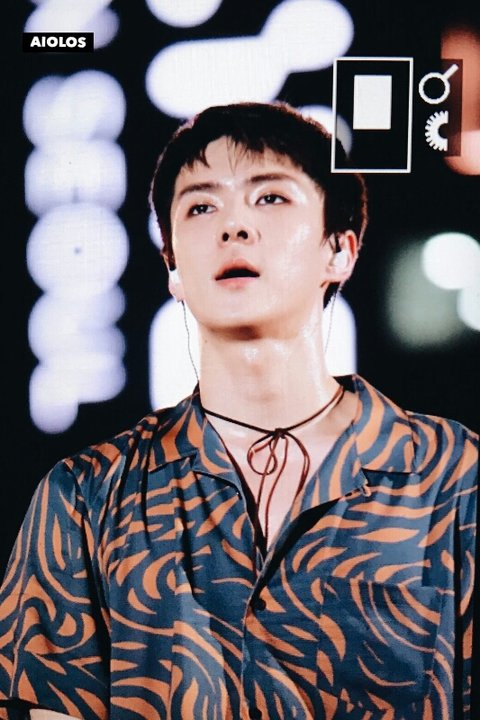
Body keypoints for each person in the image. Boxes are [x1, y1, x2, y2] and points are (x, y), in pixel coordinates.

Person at [0, 101, 477, 720]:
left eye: (270, 197)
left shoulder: (452, 478)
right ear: (172, 267)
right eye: (201, 207)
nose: (234, 226)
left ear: (340, 250)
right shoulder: (86, 497)